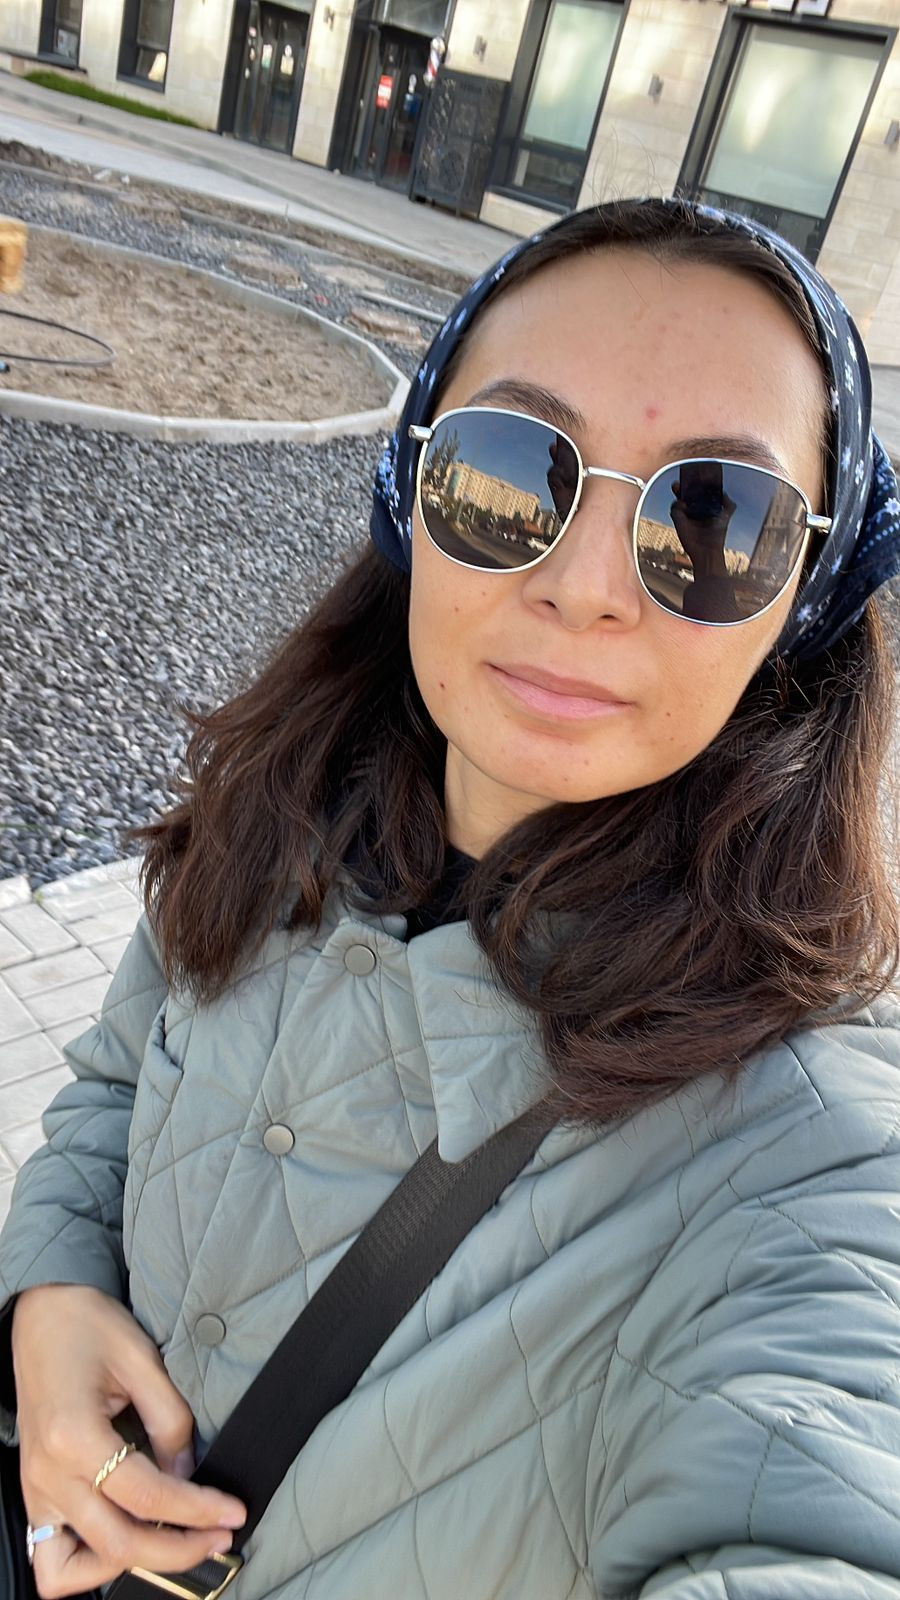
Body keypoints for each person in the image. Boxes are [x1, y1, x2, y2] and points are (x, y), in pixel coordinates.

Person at [3, 195, 900, 1600]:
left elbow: (819, 1479)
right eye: (513, 470)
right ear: (413, 488)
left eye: (715, 522)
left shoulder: (811, 1144)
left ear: (806, 602)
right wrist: (48, 1290)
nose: (586, 588)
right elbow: (118, 1082)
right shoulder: (285, 810)